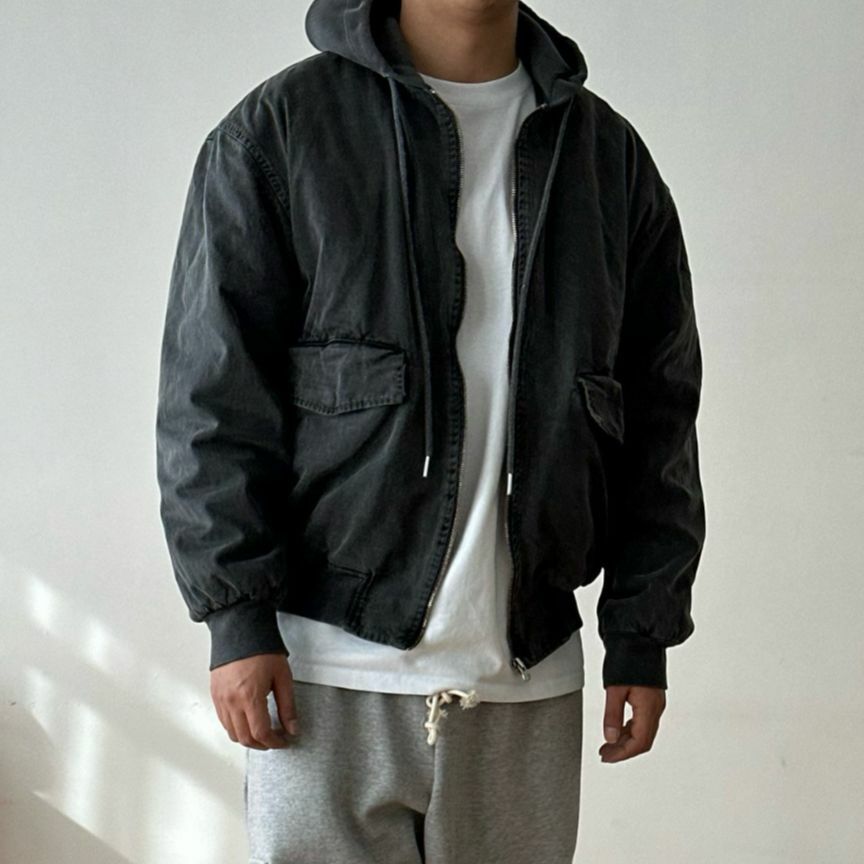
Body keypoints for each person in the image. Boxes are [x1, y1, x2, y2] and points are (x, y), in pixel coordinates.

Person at [155, 0, 706, 860]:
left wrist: (642, 632)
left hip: (526, 674)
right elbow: (213, 396)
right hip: (323, 669)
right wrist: (236, 618)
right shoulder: (282, 131)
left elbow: (660, 415)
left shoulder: (606, 158)